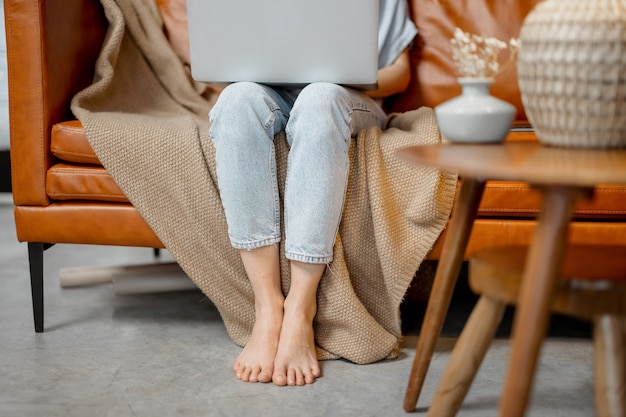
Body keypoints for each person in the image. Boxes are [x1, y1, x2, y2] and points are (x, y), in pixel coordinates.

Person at [208, 0, 417, 386]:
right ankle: (267, 308)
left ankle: (301, 309)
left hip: (347, 98)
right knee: (235, 102)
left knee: (320, 97)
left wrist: (337, 74)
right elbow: (216, 74)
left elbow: (399, 74)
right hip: (266, 92)